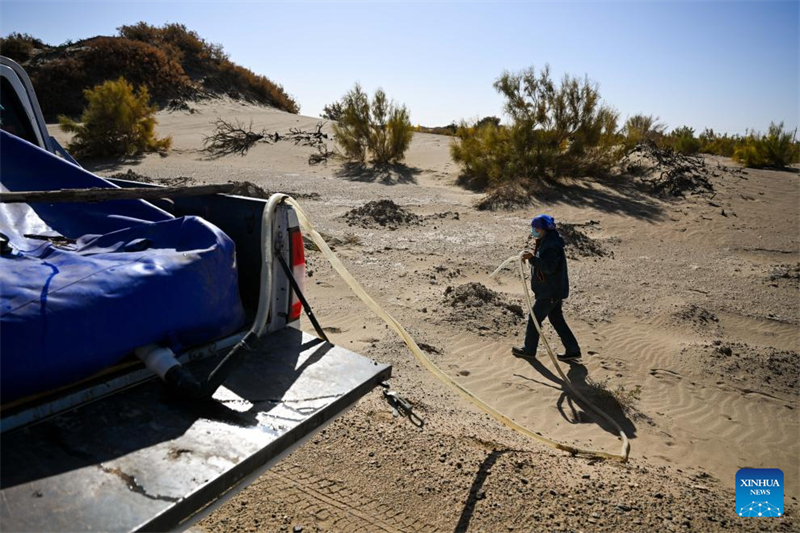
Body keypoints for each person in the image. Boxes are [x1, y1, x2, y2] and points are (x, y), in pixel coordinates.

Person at [512, 214, 582, 363]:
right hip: (552, 290)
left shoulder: (551, 245)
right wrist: (532, 258)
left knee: (534, 318)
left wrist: (532, 259)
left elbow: (549, 267)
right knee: (556, 318)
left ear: (543, 229)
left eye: (536, 228)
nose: (533, 231)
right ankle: (573, 349)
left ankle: (529, 350)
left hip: (550, 291)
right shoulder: (547, 241)